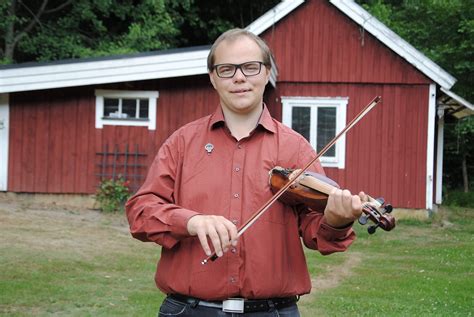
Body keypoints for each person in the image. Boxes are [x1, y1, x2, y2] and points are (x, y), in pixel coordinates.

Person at [126, 28, 366, 317]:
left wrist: (336, 222)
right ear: (213, 78)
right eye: (226, 69)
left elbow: (316, 231)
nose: (239, 78)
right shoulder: (182, 142)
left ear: (266, 73)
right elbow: (140, 213)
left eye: (250, 67)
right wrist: (190, 221)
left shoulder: (296, 148)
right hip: (189, 310)